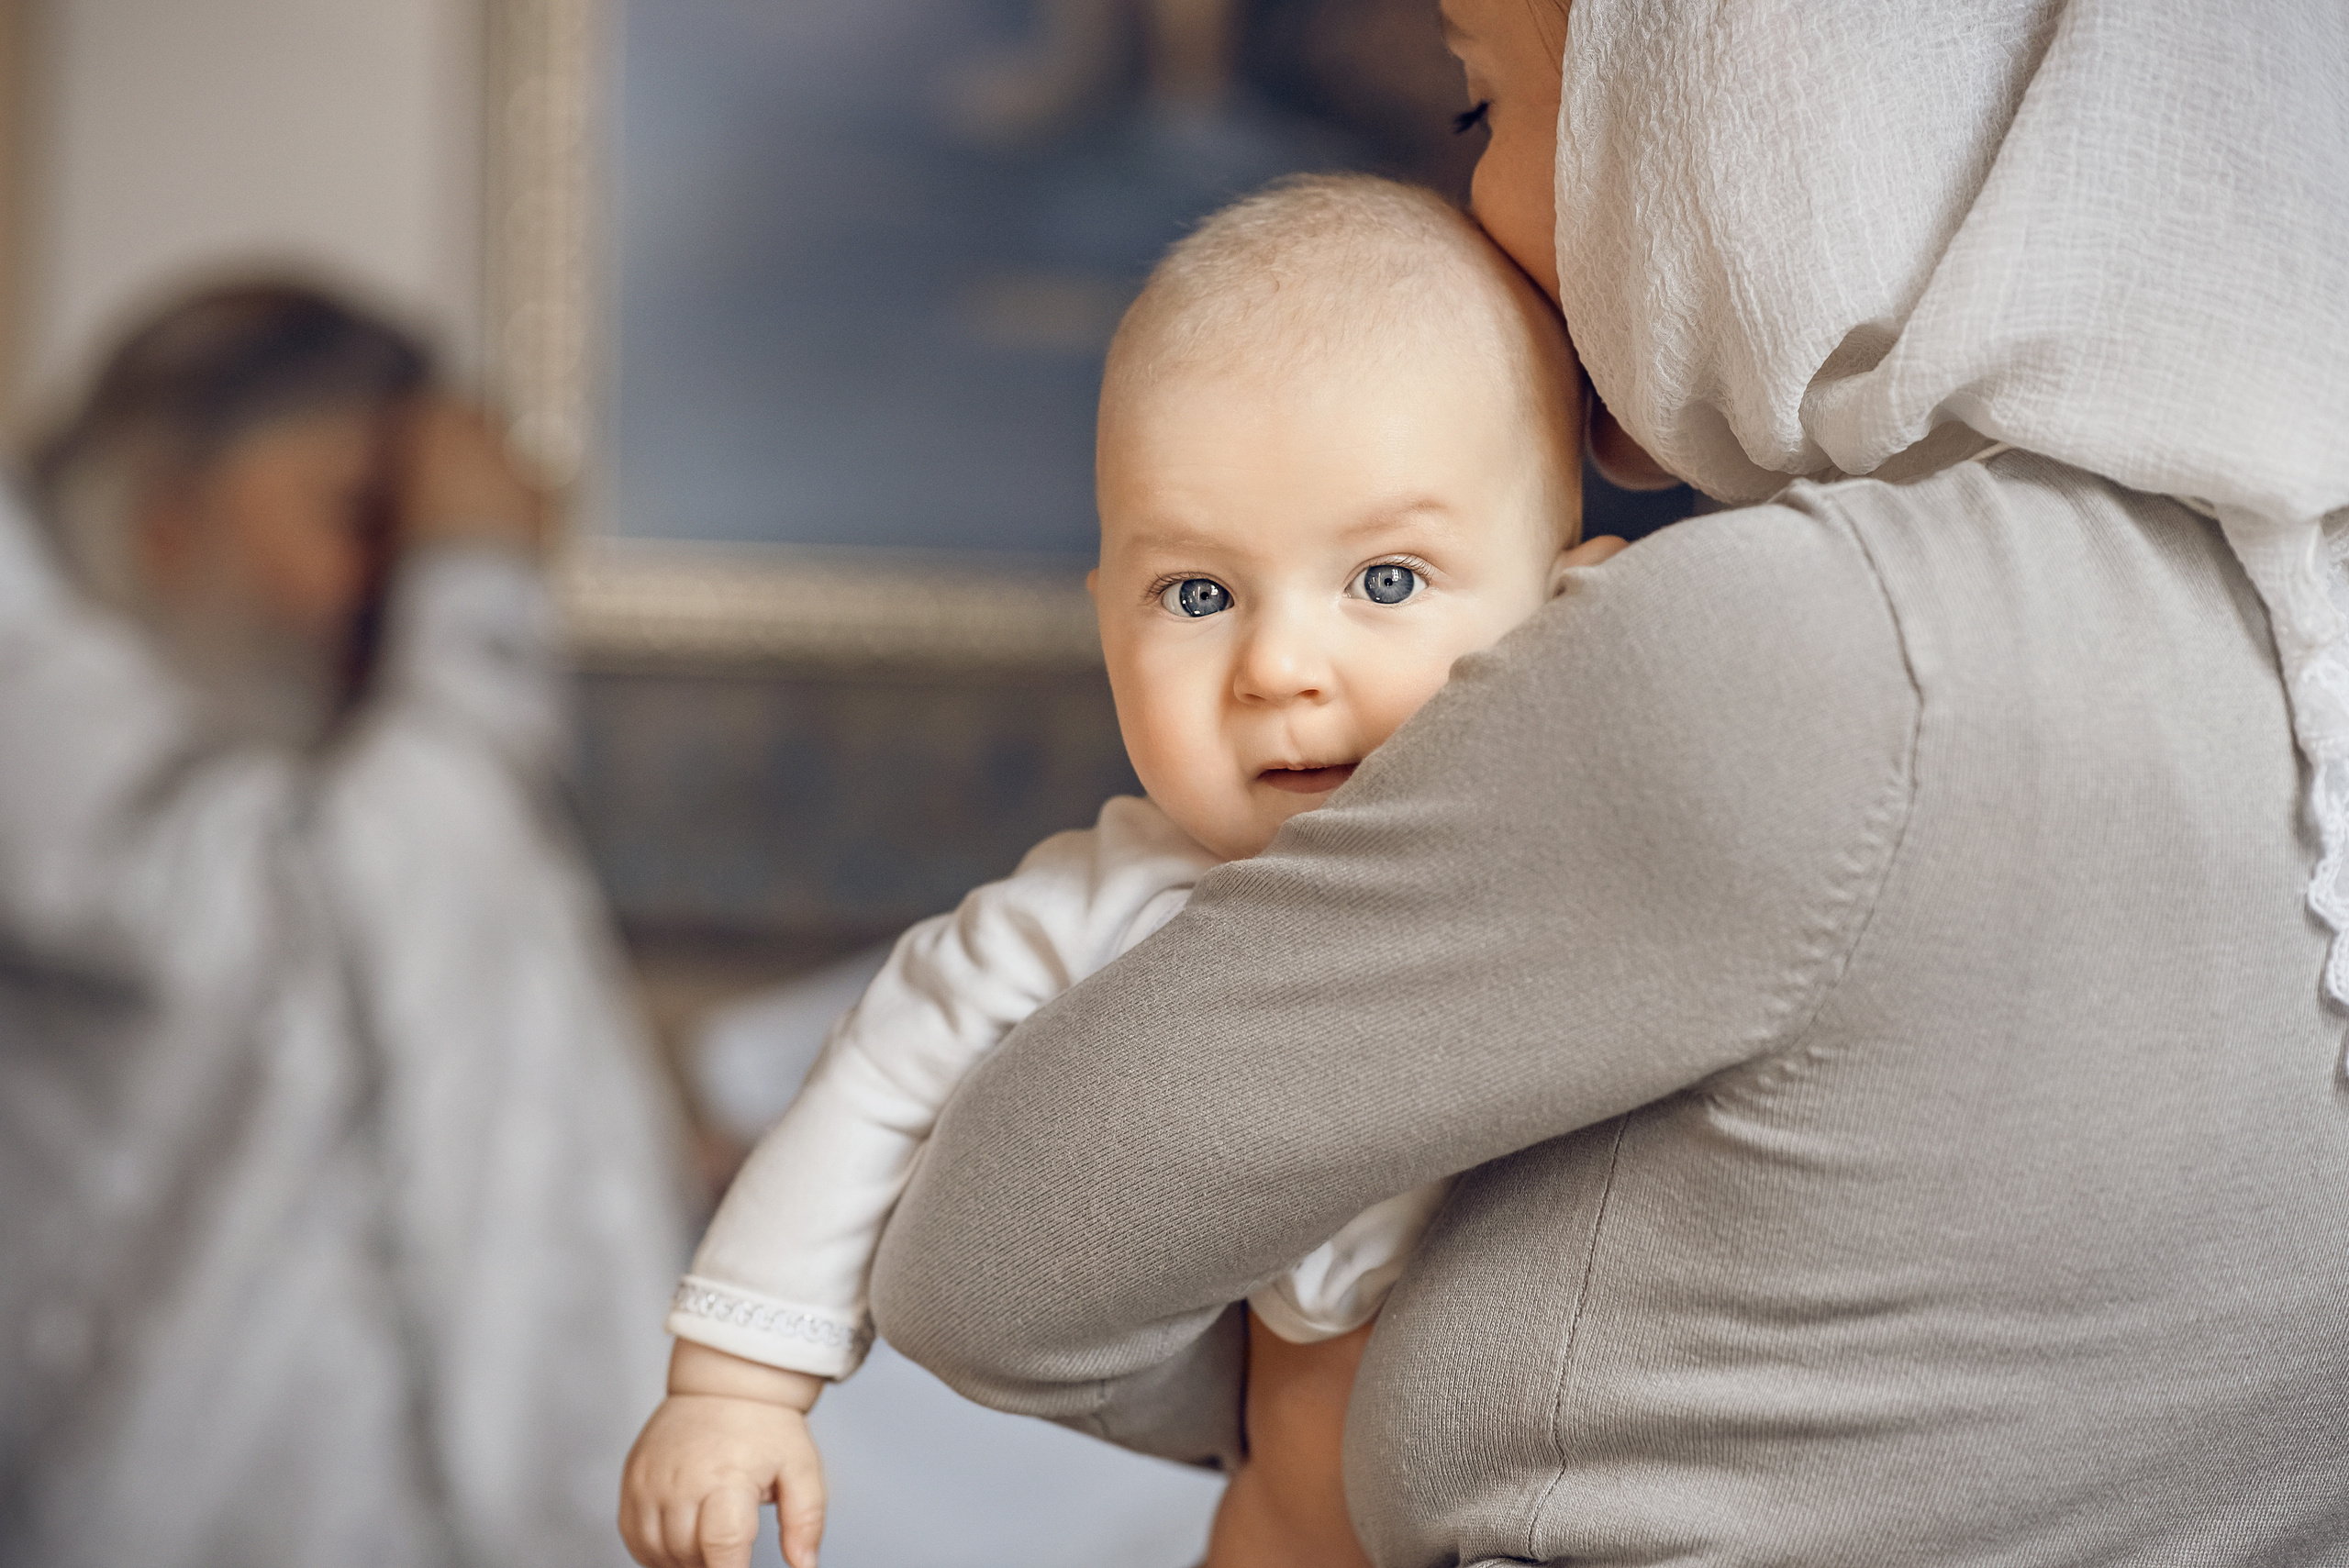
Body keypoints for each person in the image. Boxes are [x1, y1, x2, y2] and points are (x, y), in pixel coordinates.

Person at [861, 0, 2349, 1562]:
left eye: (1481, 109)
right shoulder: (2288, 621)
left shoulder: (1807, 647)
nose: (1481, 214)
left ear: (1745, 95)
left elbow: (991, 1260)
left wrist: (1311, 1382)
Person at [618, 175, 1624, 1568]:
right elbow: (884, 1071)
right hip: (1290, 1523)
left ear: (1579, 605)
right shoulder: (1117, 901)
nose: (1279, 668)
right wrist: (735, 1383)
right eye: (1198, 595)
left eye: (1386, 580)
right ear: (1108, 625)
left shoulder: (1608, 864)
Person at [0, 283, 690, 1567]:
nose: (397, 593)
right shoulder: (41, 735)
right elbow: (291, 910)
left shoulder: (329, 778)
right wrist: (477, 591)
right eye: (364, 522)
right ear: (163, 521)